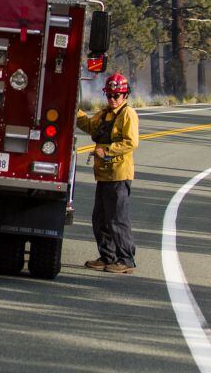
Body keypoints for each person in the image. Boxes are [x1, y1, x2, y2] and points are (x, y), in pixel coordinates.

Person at [76, 72, 139, 274]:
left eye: (116, 96)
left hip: (118, 175)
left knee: (118, 219)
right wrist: (74, 112)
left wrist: (107, 151)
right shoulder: (105, 114)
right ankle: (107, 257)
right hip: (103, 174)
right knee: (100, 218)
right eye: (110, 95)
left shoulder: (127, 114)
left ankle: (126, 260)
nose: (112, 99)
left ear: (125, 95)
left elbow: (131, 142)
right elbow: (89, 125)